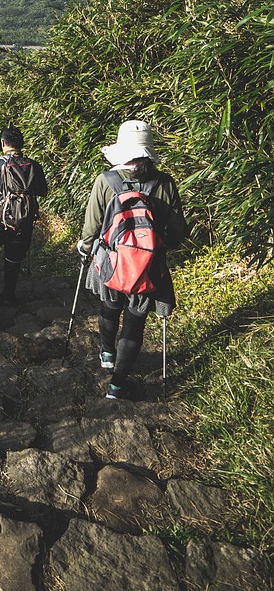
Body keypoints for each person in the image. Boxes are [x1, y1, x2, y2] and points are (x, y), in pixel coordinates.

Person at [77, 119, 188, 401]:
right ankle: (116, 386)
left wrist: (86, 247)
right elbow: (177, 233)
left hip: (113, 262)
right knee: (135, 323)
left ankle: (106, 352)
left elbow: (92, 225)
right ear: (148, 152)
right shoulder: (165, 183)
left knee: (110, 305)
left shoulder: (106, 181)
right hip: (147, 268)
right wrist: (158, 246)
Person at [0, 126, 48, 301]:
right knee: (14, 256)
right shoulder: (34, 165)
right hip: (24, 219)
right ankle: (8, 294)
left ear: (3, 143)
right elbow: (43, 191)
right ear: (21, 144)